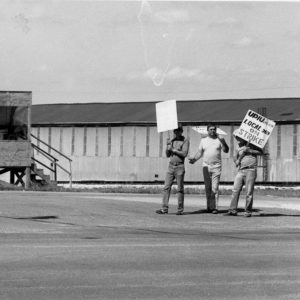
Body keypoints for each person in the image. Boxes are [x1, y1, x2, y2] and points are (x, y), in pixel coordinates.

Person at [189, 124, 229, 214]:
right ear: (207, 130)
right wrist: (194, 160)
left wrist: (223, 142)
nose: (212, 131)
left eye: (214, 129)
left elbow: (226, 150)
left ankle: (214, 208)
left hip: (216, 166)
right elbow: (200, 152)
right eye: (210, 129)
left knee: (215, 188)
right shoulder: (203, 140)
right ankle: (209, 207)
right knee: (208, 188)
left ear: (216, 130)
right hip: (206, 166)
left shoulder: (219, 140)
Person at [224, 132, 264, 217]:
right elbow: (235, 156)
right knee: (235, 190)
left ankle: (248, 211)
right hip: (241, 170)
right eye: (236, 137)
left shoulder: (253, 144)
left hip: (251, 169)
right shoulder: (237, 146)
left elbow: (261, 152)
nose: (237, 138)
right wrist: (236, 161)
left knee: (249, 192)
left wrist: (250, 150)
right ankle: (232, 210)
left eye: (239, 137)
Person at [156, 124, 190, 215]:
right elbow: (167, 155)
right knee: (166, 187)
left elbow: (184, 154)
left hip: (179, 166)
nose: (177, 132)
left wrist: (174, 150)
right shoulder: (172, 141)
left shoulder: (185, 140)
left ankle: (180, 209)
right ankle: (164, 208)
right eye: (175, 130)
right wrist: (167, 147)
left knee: (180, 189)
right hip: (171, 166)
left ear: (181, 131)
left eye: (179, 130)